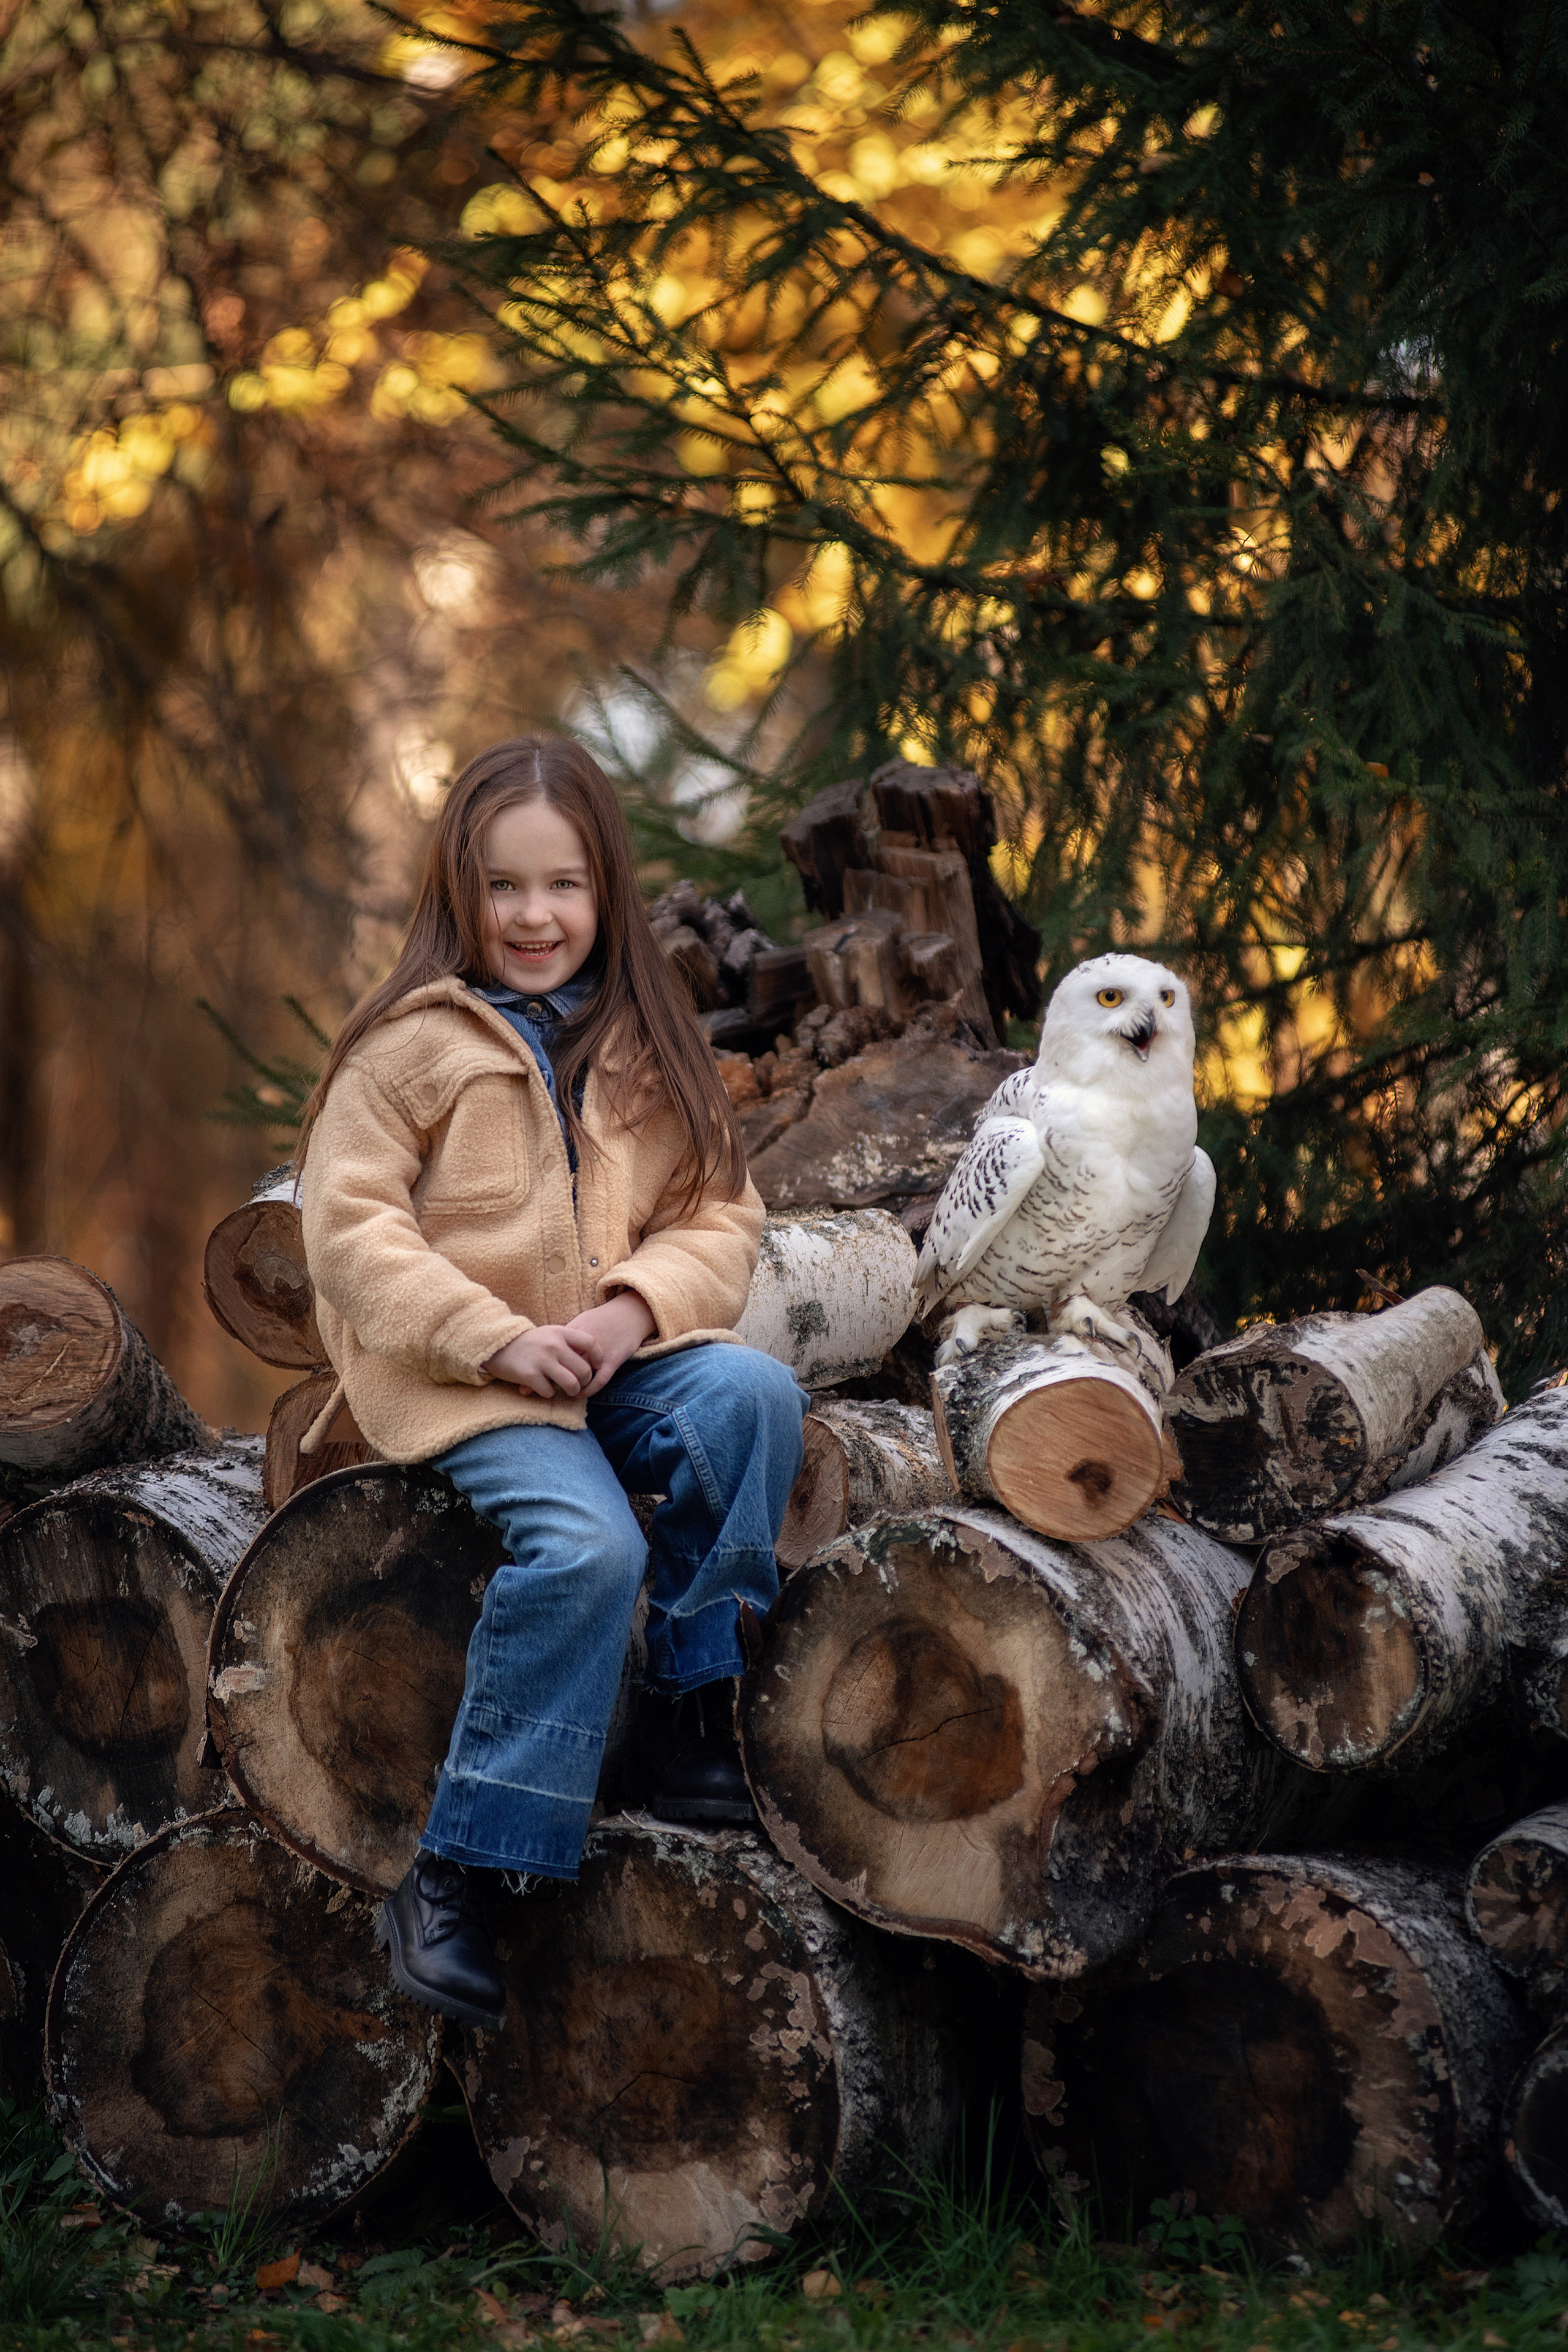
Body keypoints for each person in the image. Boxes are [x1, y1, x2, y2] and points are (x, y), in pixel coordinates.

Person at [295, 736, 805, 2032]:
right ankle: (460, 1867)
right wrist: (490, 1337)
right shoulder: (408, 1048)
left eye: (563, 886)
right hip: (463, 1379)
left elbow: (718, 1216)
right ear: (457, 892)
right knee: (583, 1547)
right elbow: (349, 1231)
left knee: (747, 1397)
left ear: (608, 892)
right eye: (504, 887)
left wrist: (633, 1311)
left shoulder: (645, 1045)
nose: (534, 917)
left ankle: (697, 1714)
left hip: (601, 1360)